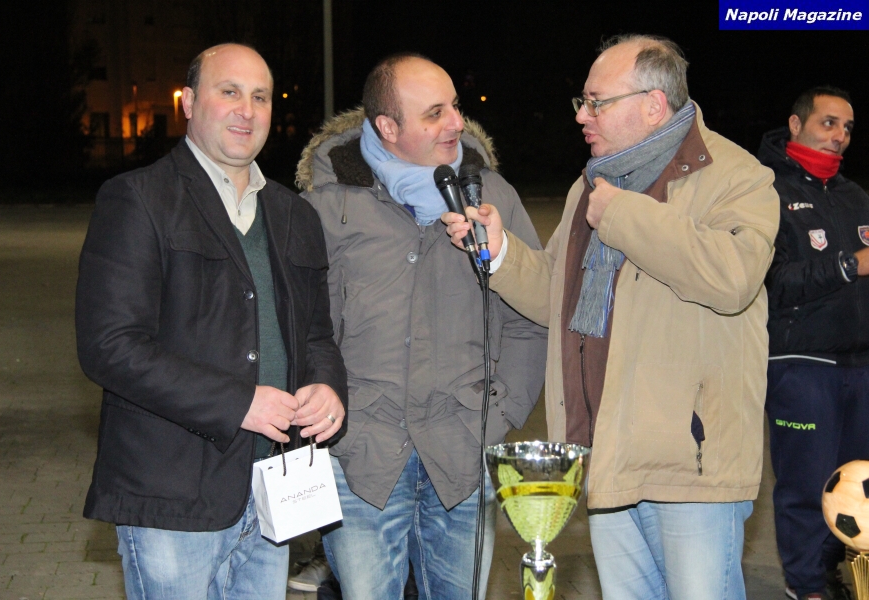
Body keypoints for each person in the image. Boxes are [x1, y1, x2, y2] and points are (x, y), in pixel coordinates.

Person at [444, 34, 780, 600]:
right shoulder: (592, 184)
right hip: (605, 459)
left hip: (691, 469)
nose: (582, 115)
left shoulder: (735, 176)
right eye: (582, 101)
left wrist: (622, 214)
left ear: (653, 104)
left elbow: (733, 276)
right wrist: (500, 252)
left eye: (597, 102)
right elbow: (559, 296)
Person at [75, 43, 347, 600]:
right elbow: (110, 345)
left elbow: (316, 333)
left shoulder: (294, 215)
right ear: (189, 102)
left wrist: (326, 386)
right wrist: (238, 402)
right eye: (229, 92)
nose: (247, 110)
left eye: (260, 97)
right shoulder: (138, 199)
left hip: (271, 489)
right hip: (172, 494)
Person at [296, 52, 547, 599]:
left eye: (454, 106)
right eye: (435, 113)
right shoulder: (326, 206)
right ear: (388, 127)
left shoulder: (493, 197)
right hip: (361, 460)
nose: (456, 122)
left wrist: (500, 414)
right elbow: (305, 328)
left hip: (461, 453)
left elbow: (532, 319)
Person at [760, 87, 869, 600]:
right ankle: (805, 586)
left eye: (847, 128)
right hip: (800, 363)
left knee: (852, 485)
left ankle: (830, 574)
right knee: (806, 485)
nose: (839, 136)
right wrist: (848, 265)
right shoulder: (766, 190)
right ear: (796, 124)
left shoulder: (854, 195)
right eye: (829, 123)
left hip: (860, 365)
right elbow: (772, 283)